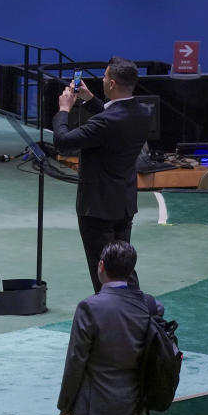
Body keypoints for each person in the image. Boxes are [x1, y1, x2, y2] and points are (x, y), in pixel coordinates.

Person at [52, 56, 153, 293]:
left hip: (97, 209)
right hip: (123, 205)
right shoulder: (144, 112)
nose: (103, 80)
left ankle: (108, 317)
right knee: (123, 267)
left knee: (105, 271)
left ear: (112, 84)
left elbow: (62, 142)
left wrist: (64, 109)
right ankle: (137, 314)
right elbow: (114, 117)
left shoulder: (105, 123)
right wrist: (89, 99)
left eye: (106, 77)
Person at [58, 240, 161, 415]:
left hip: (94, 411)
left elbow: (76, 361)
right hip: (134, 407)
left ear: (101, 265)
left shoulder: (89, 307)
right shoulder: (149, 305)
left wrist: (65, 405)